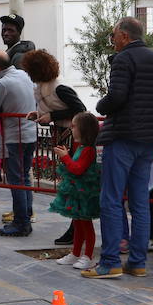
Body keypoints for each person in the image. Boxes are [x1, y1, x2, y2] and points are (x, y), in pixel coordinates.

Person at [83, 17, 153, 279]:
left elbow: (117, 96)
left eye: (113, 36)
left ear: (123, 35)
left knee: (110, 199)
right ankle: (137, 261)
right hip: (149, 139)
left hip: (123, 135)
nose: (112, 41)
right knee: (140, 201)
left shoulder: (123, 59)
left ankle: (110, 262)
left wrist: (100, 106)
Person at [21, 49, 86, 244]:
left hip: (73, 139)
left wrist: (52, 116)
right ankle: (76, 229)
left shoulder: (59, 87)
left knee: (76, 185)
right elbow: (54, 107)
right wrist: (38, 113)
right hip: (63, 136)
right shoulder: (45, 86)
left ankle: (77, 230)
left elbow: (80, 109)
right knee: (71, 184)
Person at [0, 50, 37, 236]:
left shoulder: (2, 83)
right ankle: (26, 215)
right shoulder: (23, 74)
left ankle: (21, 223)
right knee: (25, 178)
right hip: (30, 133)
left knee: (16, 180)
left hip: (15, 136)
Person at [51, 112, 101, 270]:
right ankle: (76, 253)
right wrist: (67, 156)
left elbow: (78, 169)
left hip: (85, 194)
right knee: (78, 223)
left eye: (73, 126)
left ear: (83, 129)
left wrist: (65, 157)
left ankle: (88, 256)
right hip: (78, 192)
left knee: (85, 225)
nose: (71, 129)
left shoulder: (88, 150)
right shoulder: (82, 147)